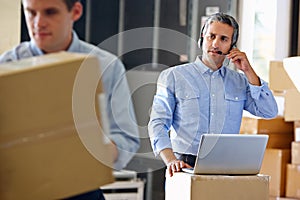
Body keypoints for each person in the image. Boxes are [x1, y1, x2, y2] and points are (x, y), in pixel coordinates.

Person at [0, 0, 140, 199]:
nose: (38, 23)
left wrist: (86, 156)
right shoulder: (7, 66)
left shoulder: (105, 67)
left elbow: (126, 139)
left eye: (50, 12)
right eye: (31, 13)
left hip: (81, 190)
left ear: (75, 11)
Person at [148, 12, 278, 177]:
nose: (216, 44)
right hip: (184, 165)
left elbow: (269, 111)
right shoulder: (173, 77)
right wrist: (170, 160)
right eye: (211, 36)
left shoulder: (240, 81)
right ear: (202, 38)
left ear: (232, 46)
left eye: (224, 39)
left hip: (227, 167)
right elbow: (157, 123)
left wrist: (248, 71)